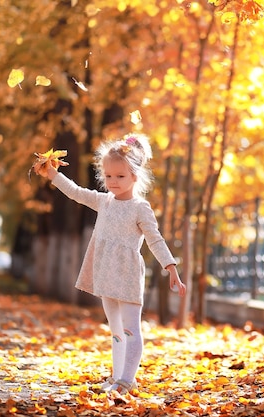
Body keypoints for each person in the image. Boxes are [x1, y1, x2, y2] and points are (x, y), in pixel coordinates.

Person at [37, 133, 187, 395]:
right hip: (106, 272)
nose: (113, 182)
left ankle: (127, 381)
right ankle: (119, 376)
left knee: (130, 328)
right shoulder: (103, 201)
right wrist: (52, 174)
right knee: (115, 329)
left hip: (127, 274)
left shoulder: (140, 208)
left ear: (135, 176)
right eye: (108, 176)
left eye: (120, 176)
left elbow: (155, 239)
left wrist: (170, 267)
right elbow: (75, 192)